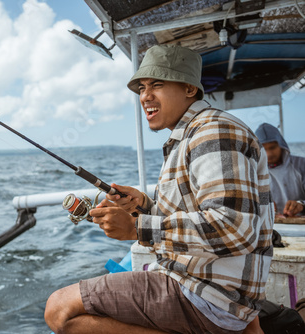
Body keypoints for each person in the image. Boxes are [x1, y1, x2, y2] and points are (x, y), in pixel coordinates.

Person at [44, 45, 273, 334]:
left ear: (190, 88)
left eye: (158, 85)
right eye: (142, 87)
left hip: (209, 296)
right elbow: (201, 214)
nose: (145, 96)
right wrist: (145, 206)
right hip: (203, 285)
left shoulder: (213, 132)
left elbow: (234, 227)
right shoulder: (192, 134)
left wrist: (138, 228)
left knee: (59, 309)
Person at [255, 122, 305, 217]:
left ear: (281, 145)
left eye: (272, 147)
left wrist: (302, 205)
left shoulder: (301, 165)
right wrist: (260, 205)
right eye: (264, 149)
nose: (269, 153)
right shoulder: (253, 172)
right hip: (272, 227)